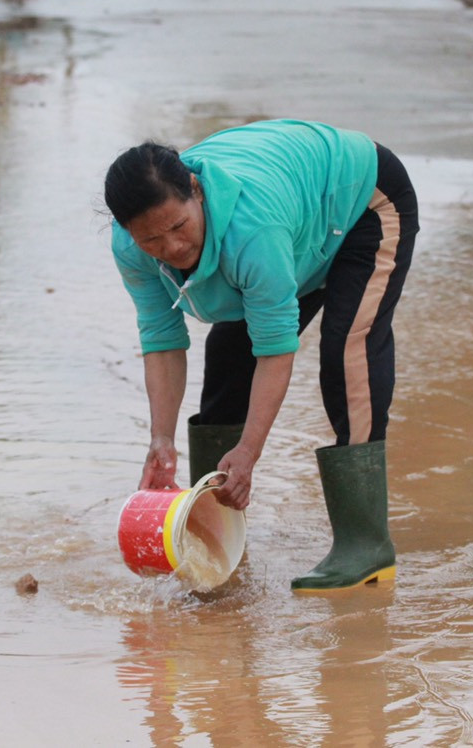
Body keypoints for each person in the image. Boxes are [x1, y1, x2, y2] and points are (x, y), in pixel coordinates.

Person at [104, 119, 418, 591]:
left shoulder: (253, 228)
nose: (171, 248)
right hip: (299, 225)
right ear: (129, 232)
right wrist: (161, 439)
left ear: (196, 190)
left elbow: (275, 349)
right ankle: (209, 532)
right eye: (152, 240)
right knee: (229, 353)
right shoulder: (130, 246)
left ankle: (365, 545)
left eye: (179, 226)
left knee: (347, 354)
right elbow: (162, 340)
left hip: (362, 201)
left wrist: (249, 452)